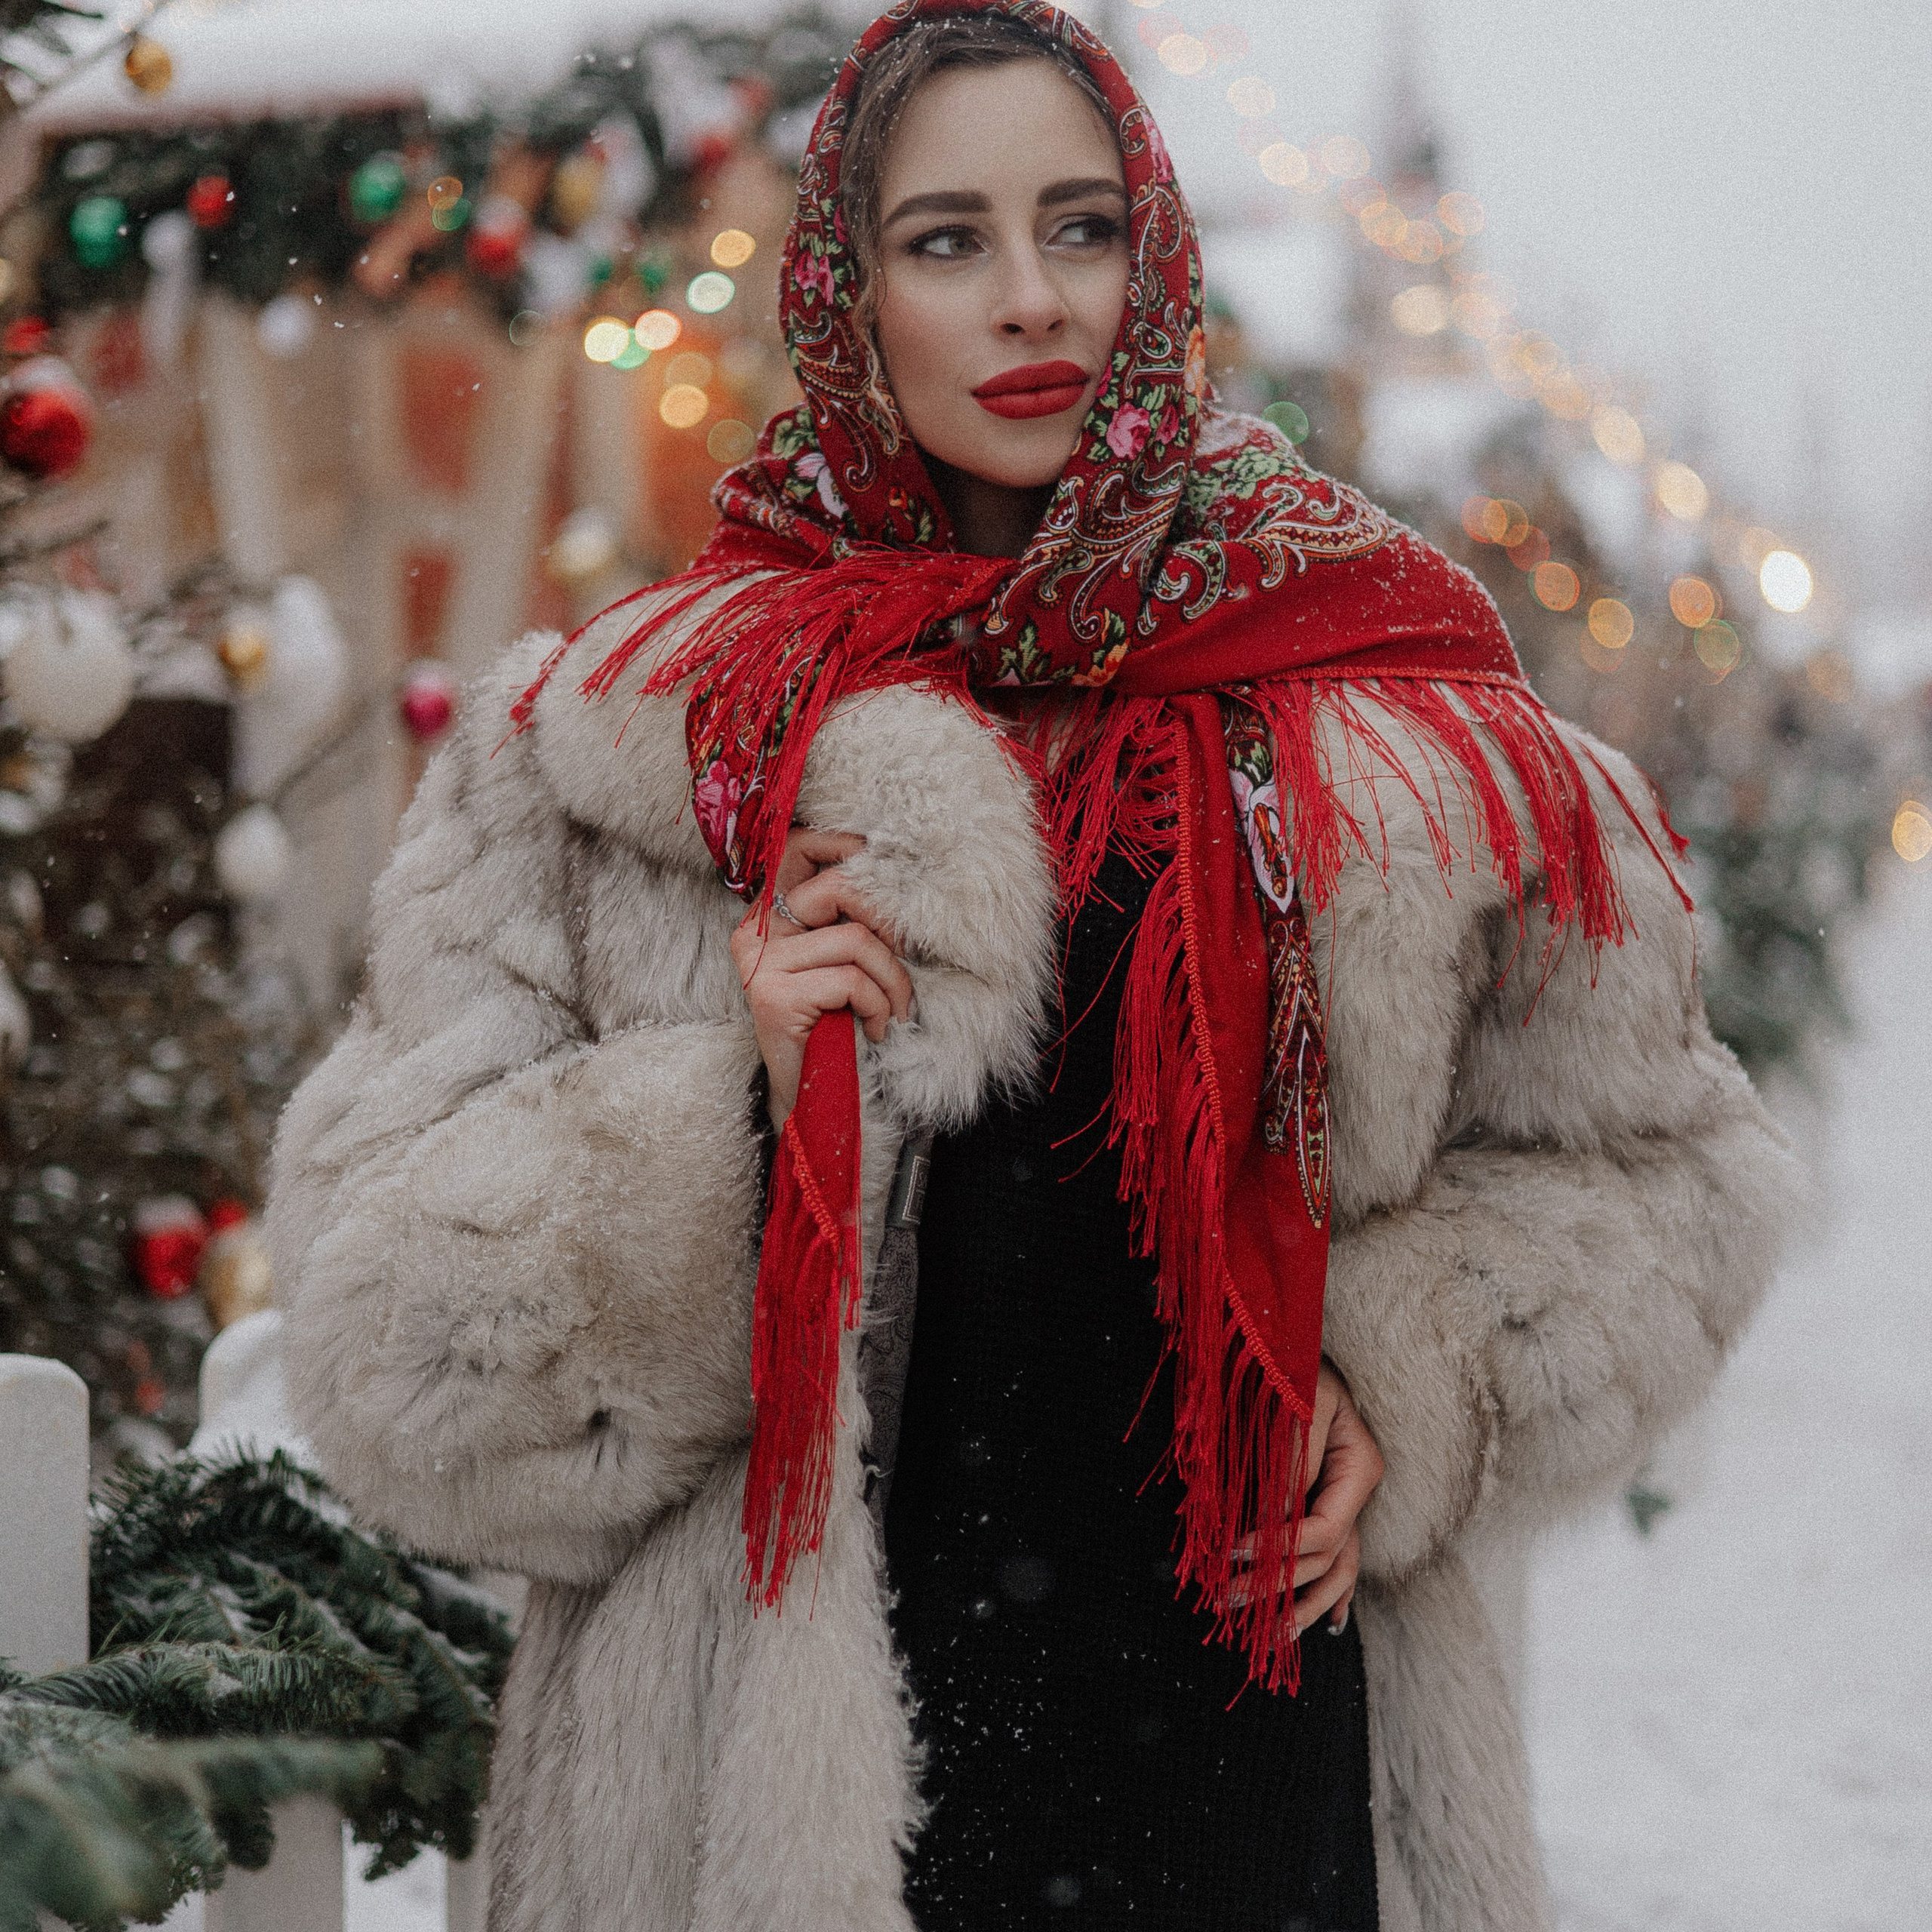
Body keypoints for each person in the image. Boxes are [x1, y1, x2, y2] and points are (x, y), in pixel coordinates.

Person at [267, 5, 1791, 1929]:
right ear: (847, 286)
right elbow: (387, 1344)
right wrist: (730, 1112)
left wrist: (1412, 1374)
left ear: (1153, 262)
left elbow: (1675, 1177)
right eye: (945, 240)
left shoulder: (1391, 724)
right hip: (760, 1802)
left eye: (1079, 230)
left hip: (1254, 1772)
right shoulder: (628, 741)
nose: (1026, 301)